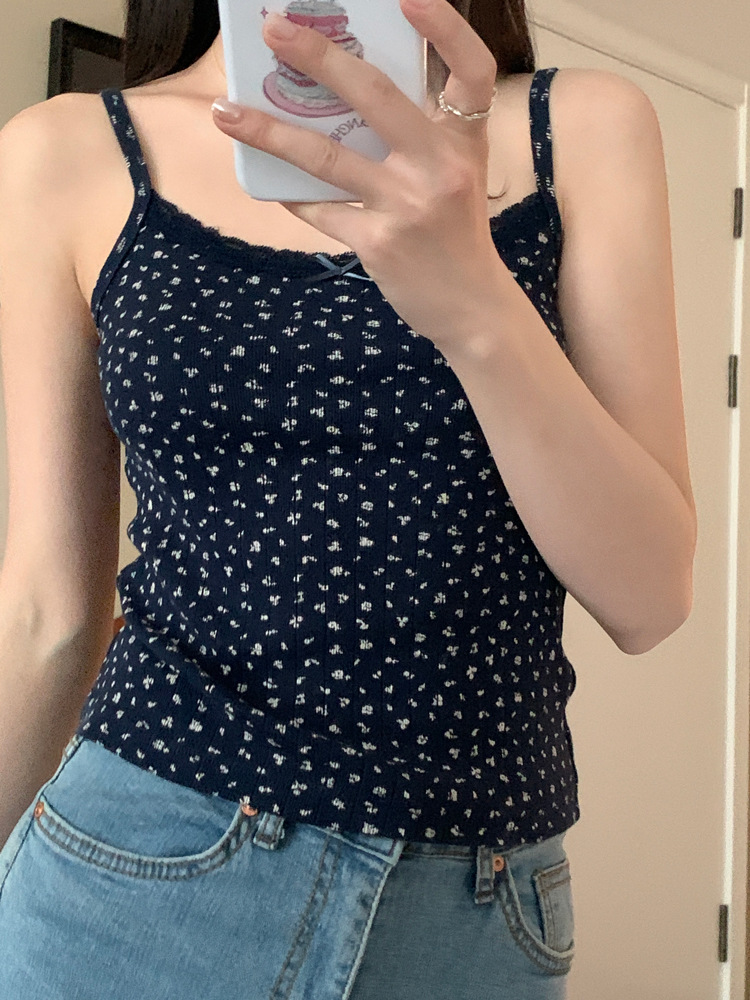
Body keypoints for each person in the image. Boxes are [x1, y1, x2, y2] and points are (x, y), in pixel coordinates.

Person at [0, 0, 697, 995]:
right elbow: (45, 612)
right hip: (134, 861)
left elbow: (650, 598)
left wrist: (475, 307)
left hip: (474, 905)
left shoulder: (579, 127)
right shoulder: (67, 151)